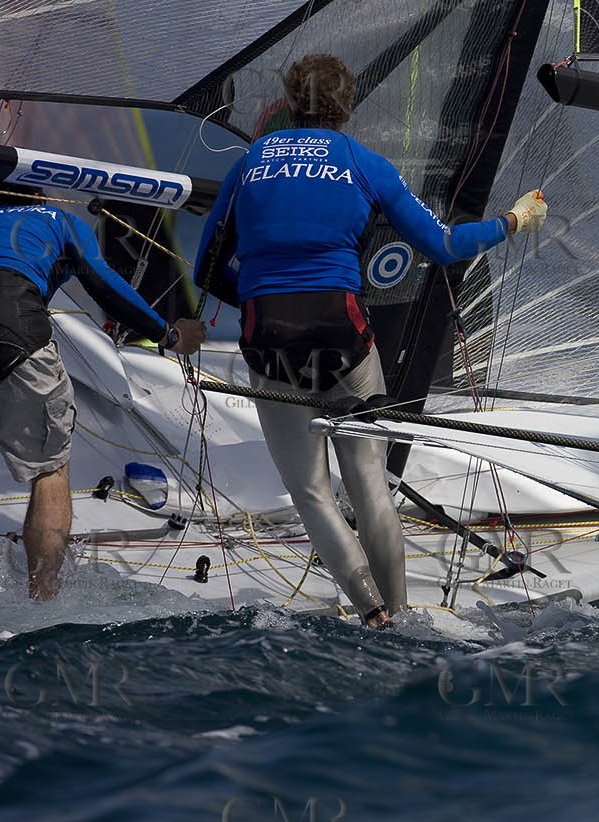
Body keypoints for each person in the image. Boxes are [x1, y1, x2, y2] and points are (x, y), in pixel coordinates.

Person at [193, 54, 548, 628]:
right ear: (347, 105)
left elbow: (207, 267)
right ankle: (402, 618)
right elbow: (445, 246)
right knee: (369, 486)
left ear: (287, 101)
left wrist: (259, 300)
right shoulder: (364, 163)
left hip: (269, 340)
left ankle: (371, 613)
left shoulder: (250, 163)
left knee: (311, 493)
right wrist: (512, 221)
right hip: (343, 336)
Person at [0, 183, 205, 599]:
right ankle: (44, 597)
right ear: (40, 194)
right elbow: (106, 286)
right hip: (18, 335)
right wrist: (169, 334)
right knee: (48, 469)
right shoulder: (57, 220)